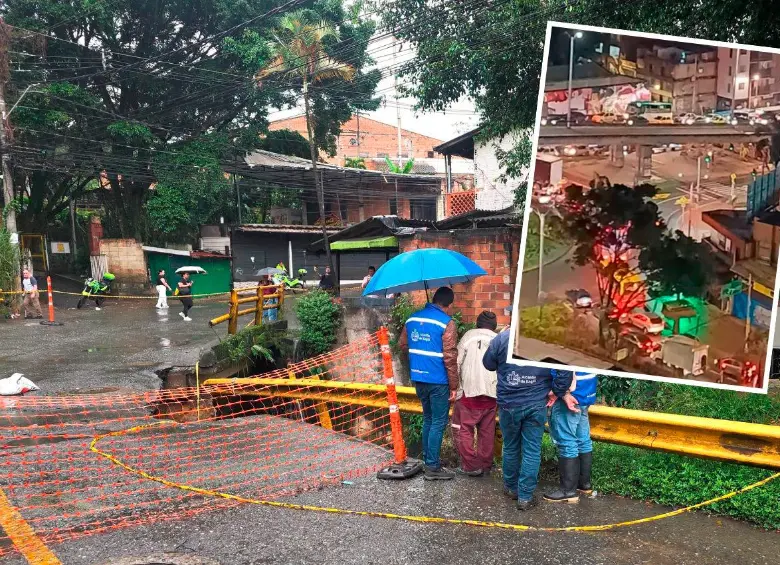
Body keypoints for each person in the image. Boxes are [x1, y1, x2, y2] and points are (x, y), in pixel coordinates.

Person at [483, 329, 574, 510]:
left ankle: (511, 488)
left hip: (509, 403)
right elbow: (565, 372)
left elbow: (488, 363)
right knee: (531, 451)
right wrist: (556, 391)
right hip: (535, 403)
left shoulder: (502, 337)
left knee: (510, 446)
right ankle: (525, 496)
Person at [398, 287, 458, 480]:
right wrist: (454, 386)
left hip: (419, 378)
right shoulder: (446, 323)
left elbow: (403, 345)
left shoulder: (412, 319)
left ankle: (428, 460)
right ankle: (432, 467)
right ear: (448, 305)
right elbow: (449, 356)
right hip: (438, 380)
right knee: (439, 421)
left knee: (428, 419)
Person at [452, 310, 498, 477]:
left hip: (469, 392)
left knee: (463, 428)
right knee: (487, 431)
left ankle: (471, 465)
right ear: (494, 326)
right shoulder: (497, 339)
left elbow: (456, 363)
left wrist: (456, 389)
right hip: (492, 394)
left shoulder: (468, 336)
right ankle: (485, 465)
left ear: (477, 323)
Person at [544, 371, 597, 503]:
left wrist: (560, 392)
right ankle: (583, 484)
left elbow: (563, 369)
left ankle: (568, 491)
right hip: (586, 391)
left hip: (570, 394)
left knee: (567, 441)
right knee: (583, 440)